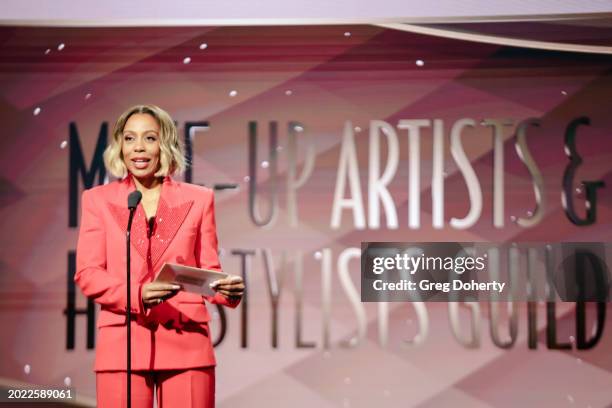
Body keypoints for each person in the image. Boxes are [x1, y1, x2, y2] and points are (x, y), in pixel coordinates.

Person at [75, 104, 244, 408]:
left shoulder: (198, 199)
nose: (138, 147)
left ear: (164, 144)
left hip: (186, 338)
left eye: (149, 138)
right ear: (119, 145)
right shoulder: (96, 201)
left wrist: (227, 290)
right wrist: (138, 294)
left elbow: (209, 269)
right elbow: (88, 274)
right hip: (123, 342)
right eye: (129, 138)